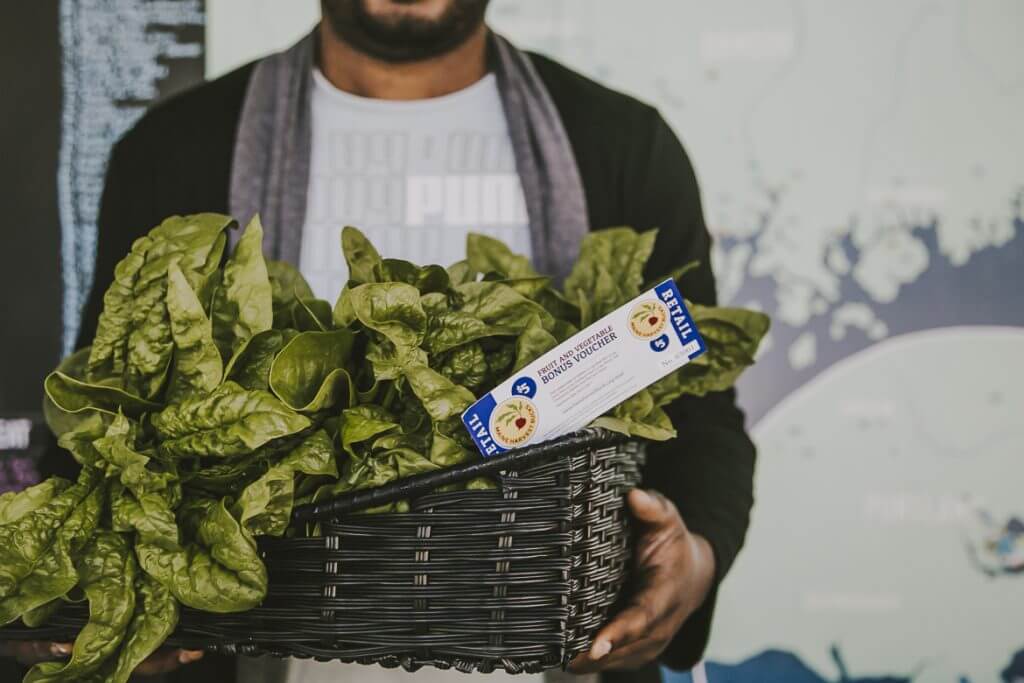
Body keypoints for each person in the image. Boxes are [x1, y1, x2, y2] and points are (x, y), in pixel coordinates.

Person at [8, 1, 756, 682]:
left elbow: (702, 419)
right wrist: (96, 608)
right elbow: (99, 418)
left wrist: (695, 562)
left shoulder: (622, 146)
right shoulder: (172, 149)